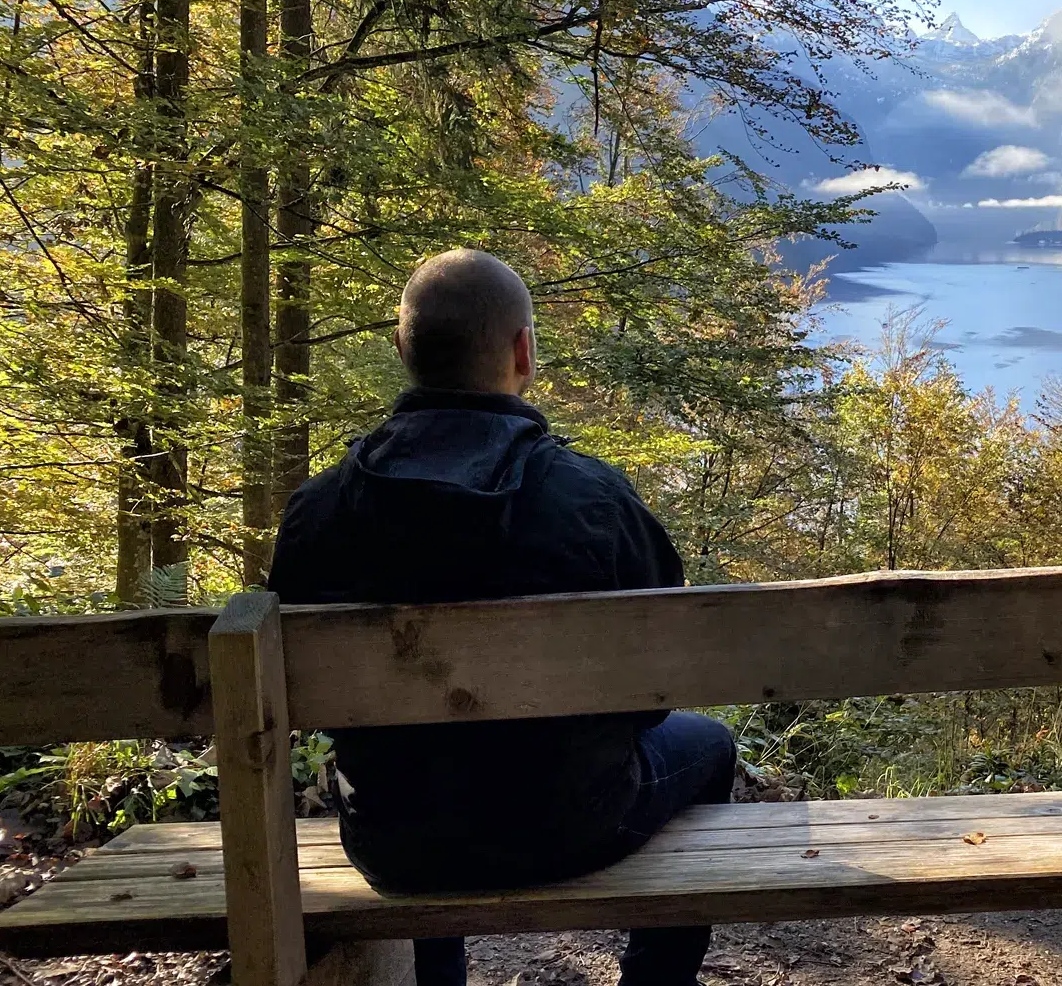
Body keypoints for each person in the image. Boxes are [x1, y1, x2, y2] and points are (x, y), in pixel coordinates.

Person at [268, 249, 735, 986]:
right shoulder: (594, 500)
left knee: (425, 775)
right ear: (524, 351)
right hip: (573, 826)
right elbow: (657, 696)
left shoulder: (319, 512)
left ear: (402, 350)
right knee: (713, 744)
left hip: (392, 840)